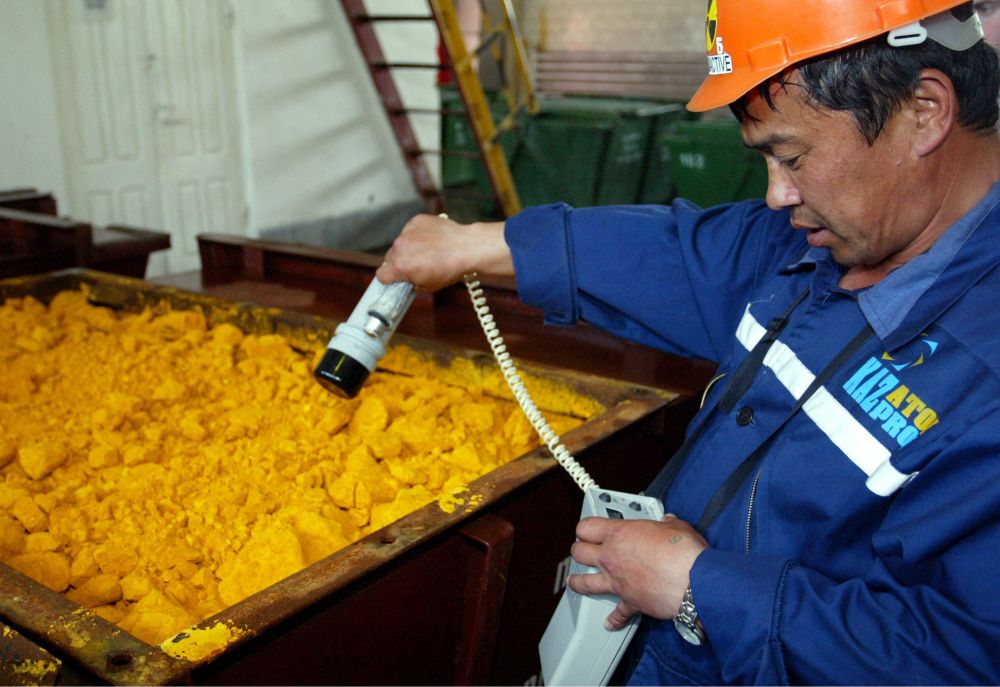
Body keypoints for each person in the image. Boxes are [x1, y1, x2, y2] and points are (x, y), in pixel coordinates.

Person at [377, 0, 1000, 683]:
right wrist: (473, 244)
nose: (775, 195)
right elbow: (673, 254)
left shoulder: (983, 373)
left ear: (925, 111)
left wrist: (700, 587)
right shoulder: (819, 242)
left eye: (790, 155)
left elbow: (957, 657)